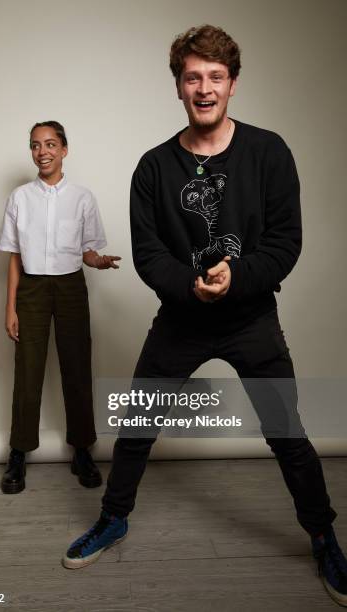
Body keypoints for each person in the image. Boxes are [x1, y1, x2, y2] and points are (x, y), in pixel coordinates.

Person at [62, 26, 347, 606]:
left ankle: (323, 537)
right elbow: (148, 254)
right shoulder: (153, 168)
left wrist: (235, 278)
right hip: (182, 317)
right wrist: (192, 286)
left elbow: (285, 242)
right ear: (178, 88)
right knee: (137, 425)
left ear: (233, 84)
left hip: (250, 318)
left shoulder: (269, 152)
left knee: (286, 431)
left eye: (216, 76)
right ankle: (114, 519)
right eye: (193, 77)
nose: (205, 87)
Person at [0, 120, 120, 494]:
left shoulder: (82, 197)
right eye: (35, 145)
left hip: (70, 288)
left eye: (50, 144)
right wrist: (10, 307)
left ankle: (82, 449)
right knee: (28, 371)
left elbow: (86, 252)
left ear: (64, 149)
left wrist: (97, 262)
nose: (42, 151)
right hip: (31, 290)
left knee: (77, 367)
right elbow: (15, 256)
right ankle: (18, 453)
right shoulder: (20, 198)